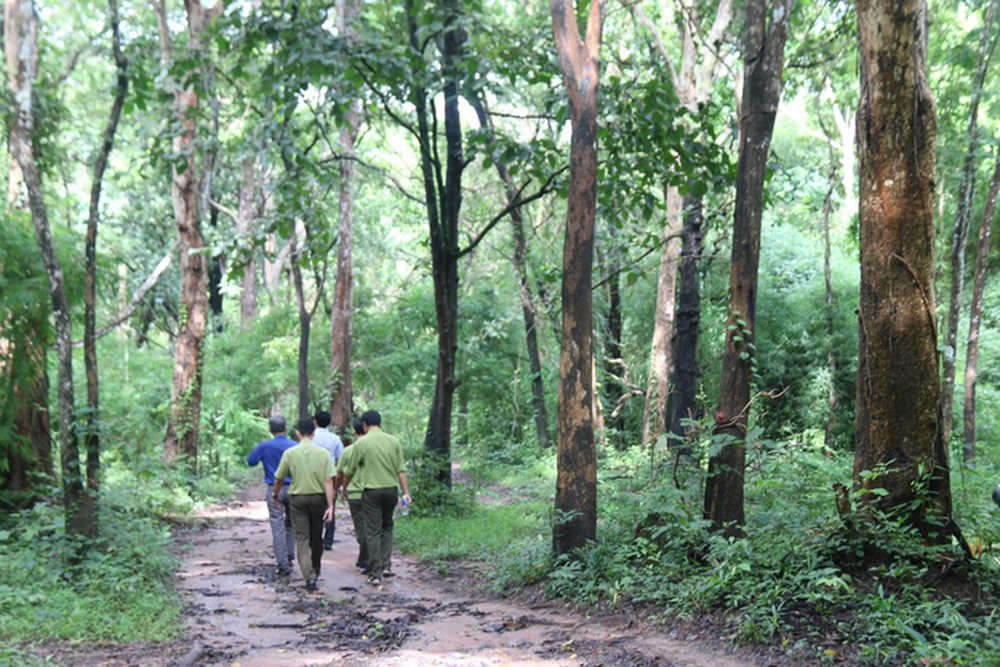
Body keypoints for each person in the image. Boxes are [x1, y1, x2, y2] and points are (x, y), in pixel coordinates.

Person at [340, 410, 410, 587]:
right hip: (391, 490)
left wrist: (344, 488)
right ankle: (386, 565)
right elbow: (401, 468)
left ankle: (375, 573)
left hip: (371, 491)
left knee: (372, 530)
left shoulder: (362, 443)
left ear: (364, 425)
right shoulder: (393, 441)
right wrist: (406, 492)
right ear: (380, 423)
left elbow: (350, 470)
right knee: (387, 526)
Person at [272, 418, 336, 591]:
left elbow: (279, 478)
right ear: (314, 433)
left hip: (298, 500)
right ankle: (315, 569)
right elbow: (329, 480)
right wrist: (330, 506)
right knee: (317, 537)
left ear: (298, 433)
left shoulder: (290, 453)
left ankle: (309, 577)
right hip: (318, 499)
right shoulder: (323, 453)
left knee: (301, 538)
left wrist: (275, 495)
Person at [246, 415, 297, 578]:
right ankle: (290, 557)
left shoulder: (265, 446)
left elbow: (250, 461)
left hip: (274, 489)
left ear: (270, 430)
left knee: (277, 526)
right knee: (291, 524)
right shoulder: (295, 446)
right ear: (286, 428)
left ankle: (282, 564)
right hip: (295, 489)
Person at [336, 417, 369, 573]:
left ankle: (367, 560)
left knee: (361, 529)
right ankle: (366, 559)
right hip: (373, 491)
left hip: (355, 494)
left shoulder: (348, 451)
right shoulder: (373, 448)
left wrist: (340, 489)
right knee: (374, 527)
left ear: (355, 431)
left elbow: (341, 473)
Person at [313, 410, 344, 551]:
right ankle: (328, 539)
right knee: (330, 505)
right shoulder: (335, 438)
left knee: (315, 505)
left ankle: (316, 537)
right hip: (330, 474)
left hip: (313, 474)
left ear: (315, 422)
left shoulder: (312, 437)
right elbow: (341, 458)